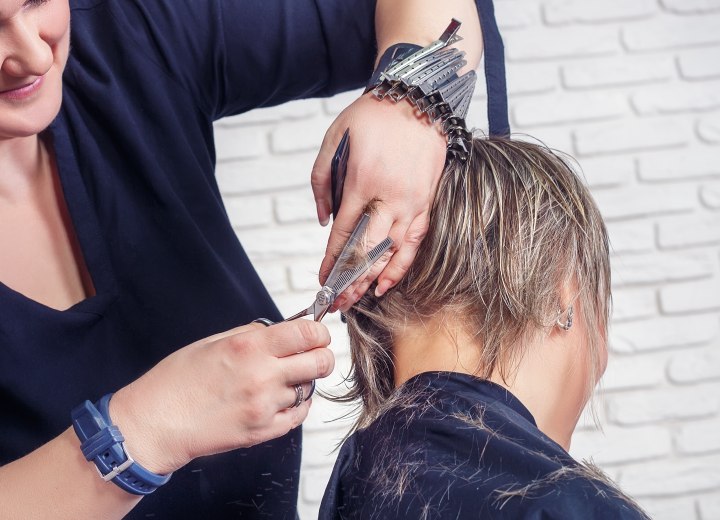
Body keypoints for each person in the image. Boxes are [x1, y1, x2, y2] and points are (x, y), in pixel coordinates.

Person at [0, 0, 490, 518]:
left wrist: (411, 103)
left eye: (35, 1)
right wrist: (145, 430)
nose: (33, 54)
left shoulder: (128, 38)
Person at [319, 137, 652, 519]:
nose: (601, 358)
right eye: (600, 310)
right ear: (565, 294)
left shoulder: (353, 488)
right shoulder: (567, 506)